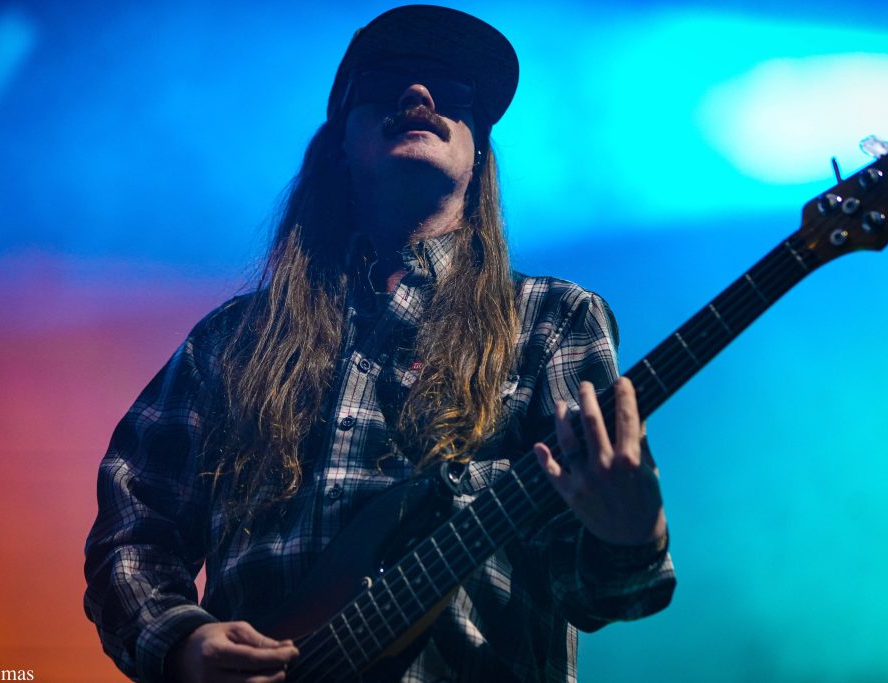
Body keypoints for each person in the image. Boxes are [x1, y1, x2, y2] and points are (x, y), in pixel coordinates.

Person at [84, 5, 675, 682]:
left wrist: (631, 532)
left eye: (450, 90)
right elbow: (134, 529)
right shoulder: (231, 342)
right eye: (388, 81)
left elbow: (599, 592)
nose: (418, 94)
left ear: (480, 151)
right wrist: (183, 643)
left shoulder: (553, 321)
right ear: (340, 140)